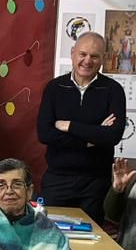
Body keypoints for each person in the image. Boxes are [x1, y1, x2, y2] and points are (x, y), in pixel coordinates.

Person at [35, 31, 126, 223]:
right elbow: (45, 134)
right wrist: (91, 138)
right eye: (82, 54)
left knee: (91, 242)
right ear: (72, 53)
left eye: (94, 56)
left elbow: (112, 136)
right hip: (57, 178)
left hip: (95, 183)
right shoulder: (54, 88)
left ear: (103, 59)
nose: (87, 61)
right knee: (48, 238)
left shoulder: (113, 90)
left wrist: (69, 125)